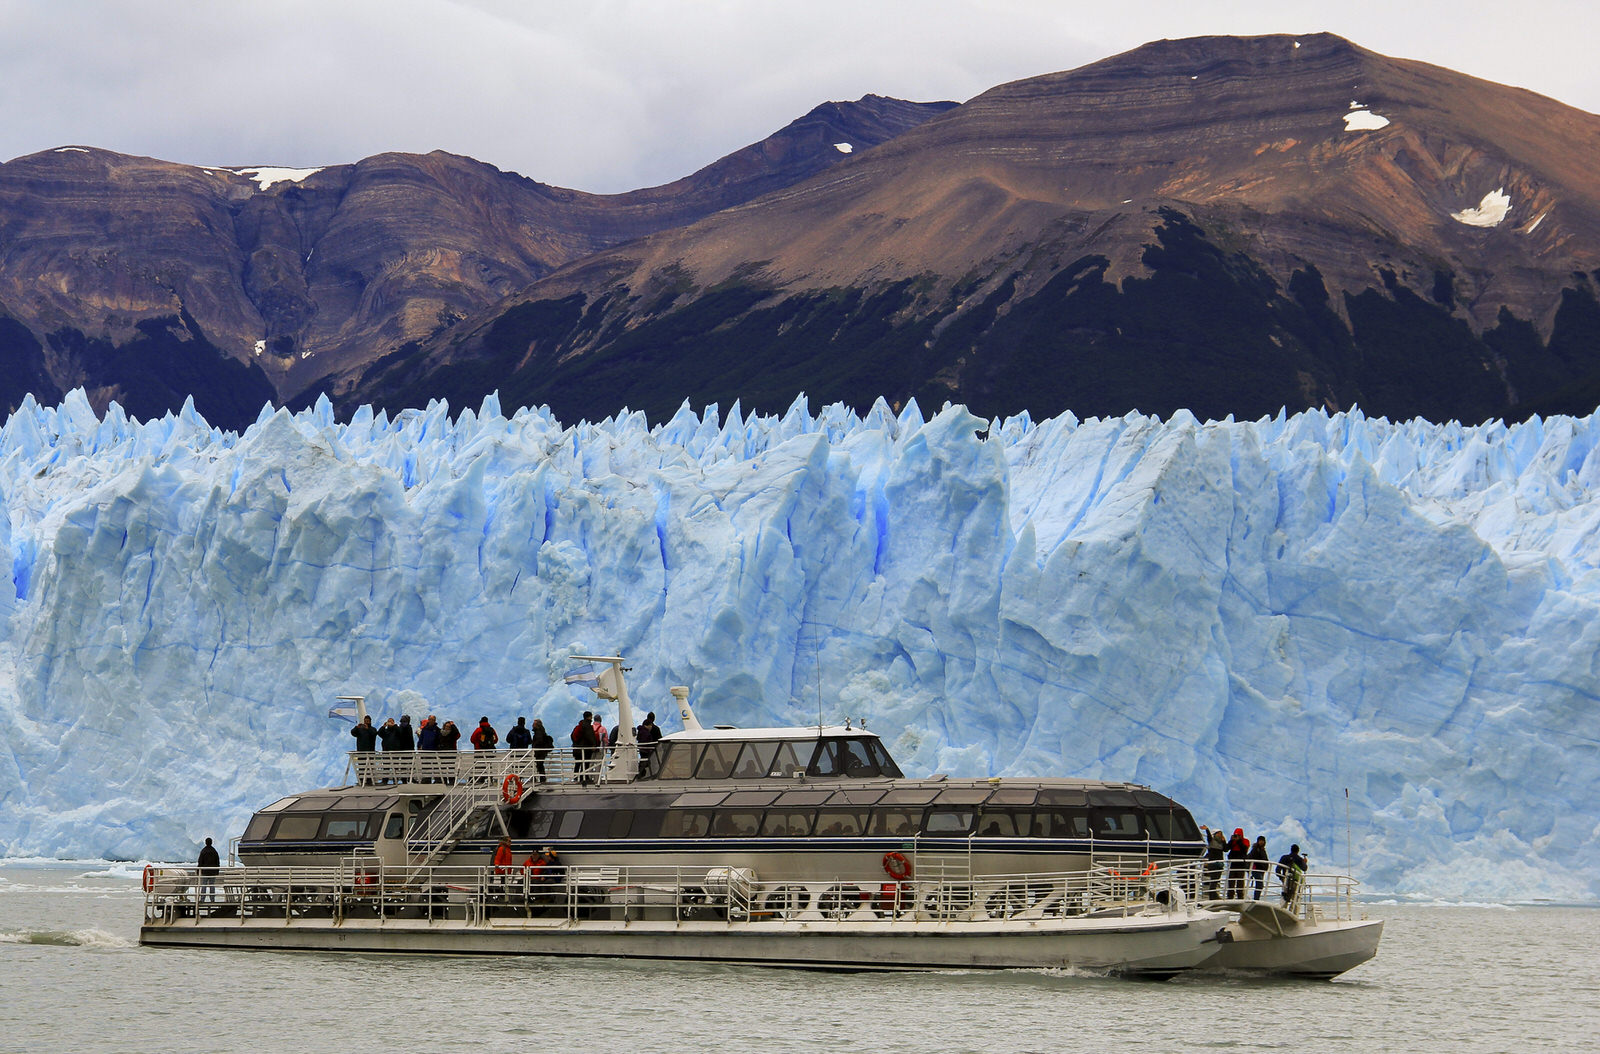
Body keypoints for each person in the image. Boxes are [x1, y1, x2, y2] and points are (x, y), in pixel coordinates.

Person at [571, 711, 599, 782]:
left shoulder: (579, 725)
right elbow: (590, 736)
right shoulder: (587, 725)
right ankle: (584, 778)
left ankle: (576, 777)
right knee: (585, 763)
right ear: (589, 717)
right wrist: (594, 745)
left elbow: (572, 736)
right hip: (585, 748)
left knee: (578, 763)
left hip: (577, 748)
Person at [1200, 826, 1225, 900]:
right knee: (1214, 880)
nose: (1220, 835)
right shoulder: (1212, 841)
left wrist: (1224, 841)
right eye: (1219, 834)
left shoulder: (1221, 843)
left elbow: (1226, 849)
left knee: (1216, 880)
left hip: (1219, 864)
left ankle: (1213, 894)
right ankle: (1213, 895)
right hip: (1213, 864)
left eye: (1221, 834)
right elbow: (1209, 837)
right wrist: (1207, 830)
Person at [1225, 827, 1251, 899]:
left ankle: (1240, 896)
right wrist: (1231, 841)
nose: (1236, 836)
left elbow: (1244, 850)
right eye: (1235, 835)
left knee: (1240, 881)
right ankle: (1230, 896)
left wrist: (1239, 841)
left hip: (1241, 864)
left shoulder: (1245, 841)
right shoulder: (1233, 841)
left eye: (1238, 835)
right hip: (1233, 863)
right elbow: (1226, 849)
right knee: (1231, 881)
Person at [636, 711, 662, 776]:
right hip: (651, 748)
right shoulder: (655, 728)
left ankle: (642, 773)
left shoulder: (642, 728)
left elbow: (639, 738)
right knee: (653, 762)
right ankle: (651, 774)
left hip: (643, 748)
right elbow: (659, 738)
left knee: (644, 761)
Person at [197, 836, 220, 905]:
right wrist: (217, 870)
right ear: (211, 843)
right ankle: (212, 899)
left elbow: (200, 861)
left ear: (205, 843)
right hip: (212, 871)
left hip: (205, 871)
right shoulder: (214, 851)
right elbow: (217, 861)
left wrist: (198, 870)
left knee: (204, 885)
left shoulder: (203, 851)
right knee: (212, 885)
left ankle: (202, 899)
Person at [530, 718, 554, 782]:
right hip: (541, 751)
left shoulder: (538, 732)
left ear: (536, 725)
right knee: (539, 764)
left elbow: (539, 741)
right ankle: (542, 778)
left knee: (539, 764)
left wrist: (534, 746)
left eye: (534, 724)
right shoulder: (541, 731)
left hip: (540, 751)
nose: (532, 725)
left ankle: (542, 778)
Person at [1248, 835, 1269, 900]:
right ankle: (1256, 898)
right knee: (1260, 885)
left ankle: (1257, 898)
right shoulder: (1255, 849)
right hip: (1256, 869)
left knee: (1259, 885)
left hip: (1261, 869)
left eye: (1262, 841)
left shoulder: (1262, 850)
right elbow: (1251, 857)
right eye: (1260, 841)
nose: (1261, 842)